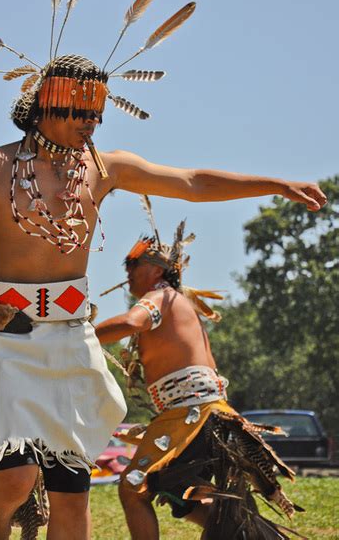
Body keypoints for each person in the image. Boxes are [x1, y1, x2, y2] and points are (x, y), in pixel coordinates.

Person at [0, 0, 326, 540]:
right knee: (13, 485)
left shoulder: (105, 167)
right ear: (45, 105)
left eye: (96, 115)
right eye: (78, 112)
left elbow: (192, 182)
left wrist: (273, 184)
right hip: (3, 339)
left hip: (68, 341)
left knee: (71, 493)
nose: (90, 124)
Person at [95, 201, 305, 540]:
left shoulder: (161, 297)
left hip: (191, 415)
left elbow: (131, 322)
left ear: (158, 272)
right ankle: (252, 533)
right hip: (204, 413)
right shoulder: (179, 302)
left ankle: (250, 532)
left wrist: (77, 334)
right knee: (181, 492)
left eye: (134, 264)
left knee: (134, 487)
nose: (127, 271)